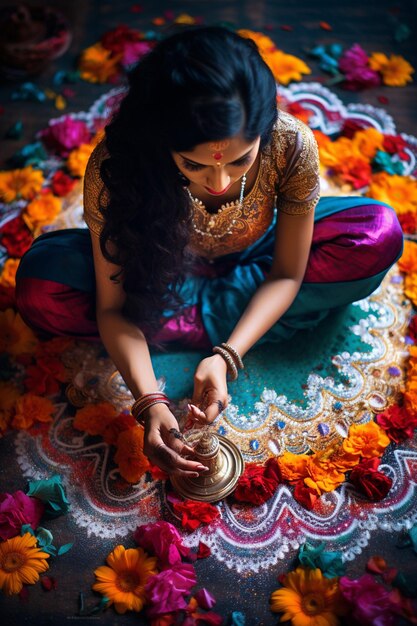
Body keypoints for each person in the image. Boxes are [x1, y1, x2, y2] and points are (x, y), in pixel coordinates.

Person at [16, 26, 403, 478]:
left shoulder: (288, 143)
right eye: (193, 165)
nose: (218, 183)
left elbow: (286, 275)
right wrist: (149, 401)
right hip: (158, 270)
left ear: (264, 132)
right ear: (163, 144)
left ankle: (187, 324)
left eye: (241, 161)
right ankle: (208, 314)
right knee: (43, 284)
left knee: (377, 232)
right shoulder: (118, 166)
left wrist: (225, 357)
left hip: (260, 254)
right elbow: (113, 308)